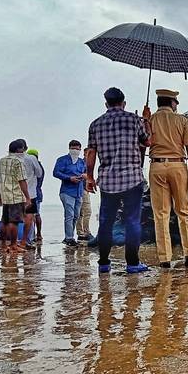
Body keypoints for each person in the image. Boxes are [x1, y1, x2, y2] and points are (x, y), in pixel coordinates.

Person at [86, 87, 150, 273]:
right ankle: (132, 264)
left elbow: (91, 152)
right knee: (132, 221)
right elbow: (147, 142)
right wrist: (146, 119)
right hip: (132, 179)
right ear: (124, 103)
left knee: (106, 222)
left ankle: (104, 264)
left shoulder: (95, 124)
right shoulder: (133, 119)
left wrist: (90, 177)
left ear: (106, 104)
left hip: (107, 181)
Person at [148, 89, 188, 268]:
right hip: (178, 165)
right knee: (183, 211)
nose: (177, 105)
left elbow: (144, 143)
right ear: (172, 103)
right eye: (176, 102)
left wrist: (146, 120)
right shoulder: (182, 120)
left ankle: (165, 259)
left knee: (161, 214)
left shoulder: (151, 120)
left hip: (156, 166)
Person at [0, 139, 31, 253]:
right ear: (20, 149)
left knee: (5, 221)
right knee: (14, 222)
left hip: (5, 195)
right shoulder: (18, 162)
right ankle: (13, 245)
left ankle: (3, 244)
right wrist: (27, 197)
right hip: (15, 195)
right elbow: (22, 181)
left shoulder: (1, 161)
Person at [53, 140, 86, 246]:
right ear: (69, 148)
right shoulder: (62, 160)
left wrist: (84, 176)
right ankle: (69, 238)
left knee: (76, 215)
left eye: (77, 149)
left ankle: (70, 236)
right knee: (69, 215)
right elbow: (56, 172)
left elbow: (86, 173)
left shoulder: (81, 162)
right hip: (67, 191)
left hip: (79, 192)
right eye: (73, 148)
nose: (75, 150)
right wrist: (69, 178)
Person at [17, 139, 42, 248]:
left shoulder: (11, 159)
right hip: (30, 194)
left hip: (15, 194)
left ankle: (16, 241)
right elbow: (39, 173)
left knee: (15, 218)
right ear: (25, 148)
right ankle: (25, 241)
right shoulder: (31, 158)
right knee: (29, 218)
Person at [27, 148, 45, 243]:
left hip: (33, 194)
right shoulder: (40, 167)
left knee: (32, 215)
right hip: (38, 192)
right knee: (36, 214)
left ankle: (32, 236)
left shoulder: (32, 167)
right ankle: (38, 234)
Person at [77, 148, 94, 242]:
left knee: (83, 212)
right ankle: (84, 233)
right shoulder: (82, 163)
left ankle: (82, 233)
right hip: (82, 189)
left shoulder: (88, 164)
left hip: (85, 189)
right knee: (86, 212)